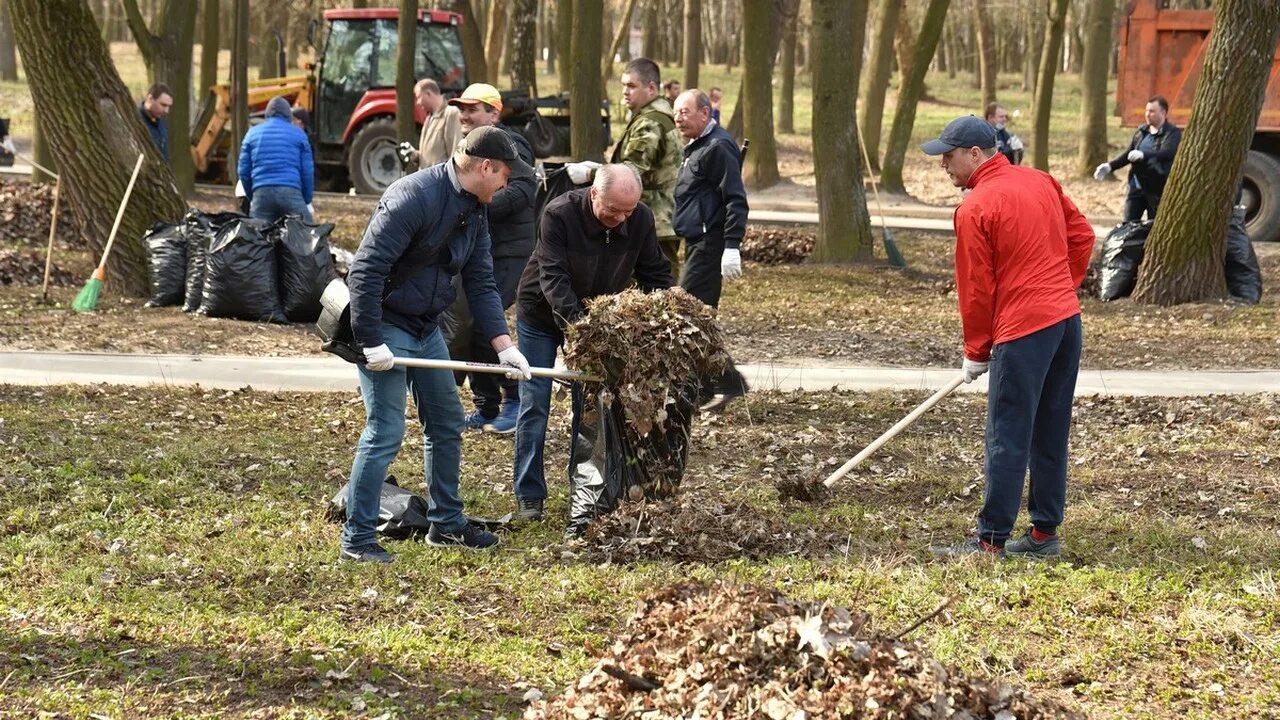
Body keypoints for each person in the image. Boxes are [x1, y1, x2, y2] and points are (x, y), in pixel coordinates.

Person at [341, 126, 535, 562]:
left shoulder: (476, 209)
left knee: (446, 423)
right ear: (486, 167)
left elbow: (482, 281)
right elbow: (365, 272)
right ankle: (357, 540)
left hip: (427, 328)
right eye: (506, 174)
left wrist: (504, 345)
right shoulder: (412, 197)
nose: (508, 184)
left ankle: (447, 525)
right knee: (385, 431)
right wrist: (371, 342)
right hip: (385, 324)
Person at [920, 116, 1094, 559]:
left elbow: (977, 289)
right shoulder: (1040, 181)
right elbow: (1083, 235)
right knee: (1050, 429)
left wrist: (976, 350)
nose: (943, 164)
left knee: (1008, 434)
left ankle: (990, 541)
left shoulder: (975, 208)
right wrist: (1060, 288)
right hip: (1065, 324)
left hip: (1024, 330)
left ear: (975, 154)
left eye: (949, 155)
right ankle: (1043, 535)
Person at [510, 164, 674, 522]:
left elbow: (654, 272)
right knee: (535, 401)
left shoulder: (640, 219)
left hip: (595, 320)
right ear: (594, 193)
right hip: (542, 313)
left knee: (588, 409)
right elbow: (554, 279)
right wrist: (580, 332)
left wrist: (667, 312)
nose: (621, 219)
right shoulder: (559, 214)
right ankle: (529, 496)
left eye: (628, 211)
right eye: (613, 210)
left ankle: (585, 494)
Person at [435, 83, 537, 434]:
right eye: (461, 109)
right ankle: (487, 407)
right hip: (477, 251)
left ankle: (514, 401)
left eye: (472, 109)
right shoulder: (471, 145)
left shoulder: (510, 145)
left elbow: (526, 189)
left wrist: (483, 203)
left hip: (509, 250)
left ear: (495, 113)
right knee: (467, 326)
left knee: (484, 324)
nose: (464, 115)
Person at [672, 89, 750, 413]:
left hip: (710, 245)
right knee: (694, 316)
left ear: (705, 113)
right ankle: (711, 386)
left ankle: (723, 382)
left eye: (685, 111)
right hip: (695, 243)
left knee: (688, 315)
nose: (679, 117)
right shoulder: (698, 145)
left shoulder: (718, 146)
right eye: (676, 112)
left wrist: (731, 245)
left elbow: (735, 198)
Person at [604, 59, 682, 271]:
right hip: (654, 219)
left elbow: (630, 173)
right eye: (623, 85)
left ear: (651, 88)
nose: (625, 92)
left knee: (658, 293)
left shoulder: (651, 122)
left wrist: (590, 173)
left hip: (653, 221)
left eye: (631, 86)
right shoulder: (655, 116)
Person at [1093, 95, 1182, 222]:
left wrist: (1144, 155)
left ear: (1163, 112)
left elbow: (1167, 152)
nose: (1147, 114)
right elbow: (1129, 154)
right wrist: (1110, 166)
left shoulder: (1172, 133)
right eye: (1146, 110)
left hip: (1157, 190)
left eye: (1152, 111)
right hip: (1136, 187)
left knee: (1154, 226)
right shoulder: (1142, 131)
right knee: (1128, 225)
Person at [237, 96, 315, 223]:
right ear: (288, 115)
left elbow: (243, 171)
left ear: (267, 114)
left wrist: (253, 195)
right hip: (291, 192)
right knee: (306, 234)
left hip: (261, 194)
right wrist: (305, 199)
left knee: (257, 238)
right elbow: (307, 172)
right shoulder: (299, 135)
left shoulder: (252, 133)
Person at [399, 79, 463, 169]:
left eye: (418, 97)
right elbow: (433, 155)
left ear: (428, 94)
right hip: (428, 180)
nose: (418, 102)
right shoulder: (429, 118)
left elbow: (455, 154)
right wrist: (415, 154)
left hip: (440, 180)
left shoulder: (451, 114)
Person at [139, 83, 173, 161]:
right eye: (163, 105)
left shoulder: (162, 123)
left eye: (169, 106)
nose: (166, 111)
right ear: (150, 99)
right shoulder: (136, 119)